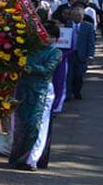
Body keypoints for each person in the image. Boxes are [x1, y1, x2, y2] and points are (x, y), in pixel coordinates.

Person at [9, 23, 63, 170]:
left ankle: (31, 160)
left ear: (56, 39)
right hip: (23, 89)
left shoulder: (56, 53)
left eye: (51, 36)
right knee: (21, 124)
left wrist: (29, 67)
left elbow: (47, 70)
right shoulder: (29, 50)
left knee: (36, 125)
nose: (47, 39)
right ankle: (16, 158)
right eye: (45, 35)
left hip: (41, 92)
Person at [66, 5, 95, 101]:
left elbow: (91, 42)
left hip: (81, 54)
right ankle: (68, 94)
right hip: (69, 54)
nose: (76, 17)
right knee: (68, 75)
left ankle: (77, 91)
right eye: (74, 15)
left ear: (83, 16)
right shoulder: (67, 24)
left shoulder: (88, 26)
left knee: (79, 75)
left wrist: (90, 55)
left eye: (79, 15)